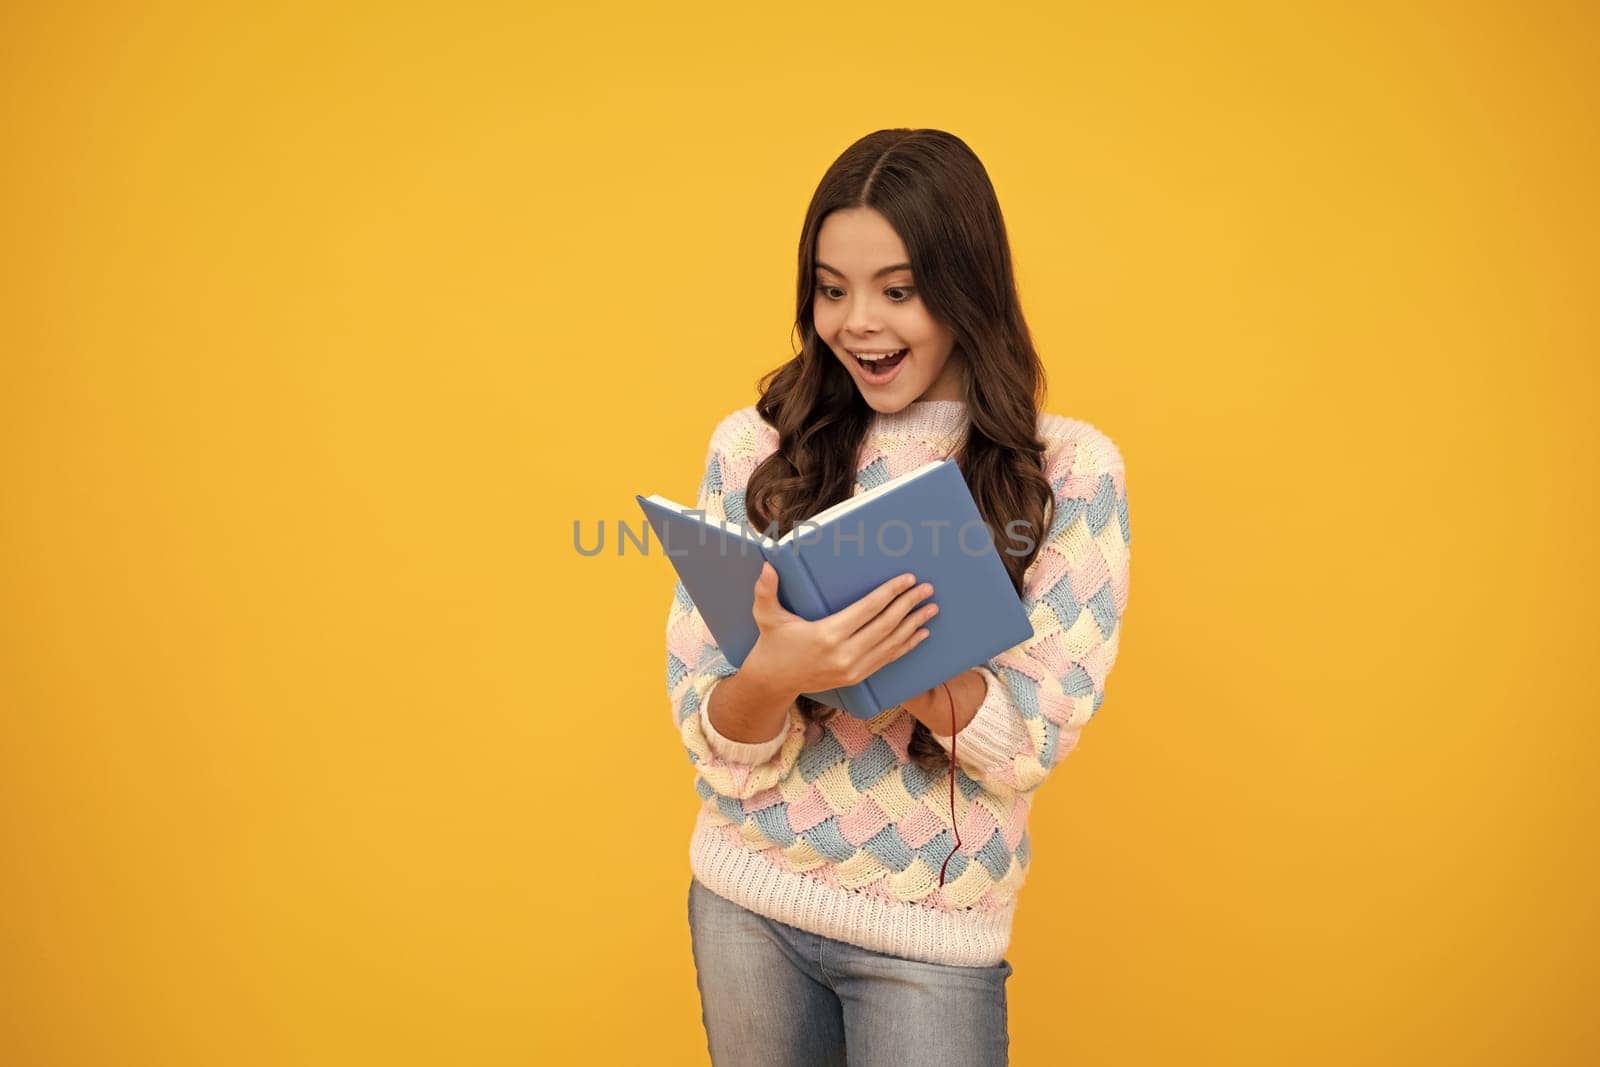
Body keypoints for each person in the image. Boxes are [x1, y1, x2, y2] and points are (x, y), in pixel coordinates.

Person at [664, 128, 1132, 1066]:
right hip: (745, 903)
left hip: (930, 939)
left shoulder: (1069, 472)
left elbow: (1033, 737)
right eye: (831, 289)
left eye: (899, 289)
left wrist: (891, 663)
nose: (858, 322)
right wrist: (777, 673)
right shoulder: (755, 448)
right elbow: (705, 719)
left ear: (964, 289)